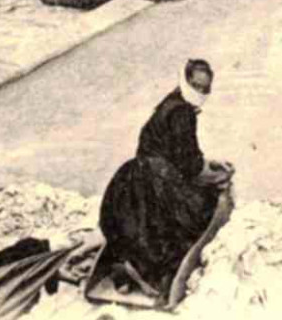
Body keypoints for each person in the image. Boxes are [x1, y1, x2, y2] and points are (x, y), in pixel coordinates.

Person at [98, 59, 235, 296]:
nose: (200, 92)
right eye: (196, 85)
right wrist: (218, 176)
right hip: (155, 180)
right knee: (198, 210)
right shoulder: (183, 113)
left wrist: (205, 163)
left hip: (134, 176)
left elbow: (177, 152)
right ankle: (151, 273)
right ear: (186, 80)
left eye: (205, 88)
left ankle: (126, 268)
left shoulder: (170, 103)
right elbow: (189, 164)